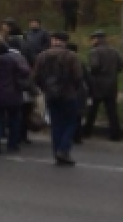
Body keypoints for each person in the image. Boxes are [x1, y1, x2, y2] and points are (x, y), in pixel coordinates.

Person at [32, 32, 84, 166]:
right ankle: (63, 150)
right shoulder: (71, 56)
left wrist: (44, 89)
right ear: (65, 42)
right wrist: (75, 89)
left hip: (50, 95)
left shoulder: (41, 56)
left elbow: (35, 77)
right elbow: (78, 77)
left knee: (56, 124)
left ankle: (57, 152)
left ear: (52, 41)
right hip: (68, 94)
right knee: (71, 122)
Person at [0, 37, 29, 154]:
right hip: (13, 92)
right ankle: (12, 144)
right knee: (14, 119)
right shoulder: (13, 59)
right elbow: (25, 71)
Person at [83, 31, 123, 141]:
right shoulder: (114, 51)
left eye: (92, 39)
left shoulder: (94, 52)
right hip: (112, 84)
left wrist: (90, 72)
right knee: (112, 111)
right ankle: (115, 134)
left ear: (96, 39)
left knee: (92, 110)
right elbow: (121, 65)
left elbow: (94, 67)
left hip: (97, 85)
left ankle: (87, 131)